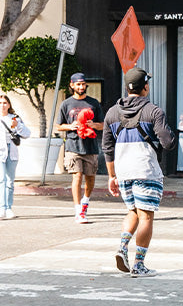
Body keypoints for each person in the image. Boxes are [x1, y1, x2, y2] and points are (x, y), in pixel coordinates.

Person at [101, 67, 176, 276]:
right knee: (146, 217)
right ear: (145, 87)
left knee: (133, 210)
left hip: (123, 171)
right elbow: (168, 143)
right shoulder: (154, 111)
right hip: (146, 169)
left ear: (127, 87)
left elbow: (107, 147)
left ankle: (122, 247)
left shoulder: (112, 113)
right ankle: (139, 264)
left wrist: (111, 176)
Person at [57, 72, 104, 223]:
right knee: (77, 176)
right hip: (73, 146)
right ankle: (78, 210)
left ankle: (85, 201)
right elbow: (58, 126)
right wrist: (71, 126)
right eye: (78, 84)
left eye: (83, 84)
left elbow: (103, 125)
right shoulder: (66, 104)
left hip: (90, 147)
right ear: (72, 85)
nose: (81, 87)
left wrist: (93, 125)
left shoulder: (93, 103)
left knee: (90, 178)